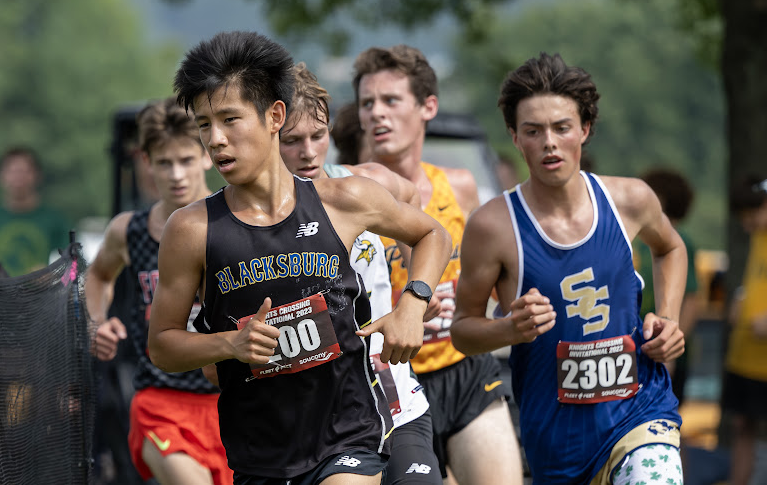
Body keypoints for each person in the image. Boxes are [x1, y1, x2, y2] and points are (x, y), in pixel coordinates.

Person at [148, 30, 452, 484]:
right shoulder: (191, 229)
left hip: (347, 435)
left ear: (274, 116)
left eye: (230, 120)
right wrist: (229, 345)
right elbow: (162, 344)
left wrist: (413, 301)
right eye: (204, 125)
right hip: (259, 455)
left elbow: (432, 233)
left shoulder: (342, 199)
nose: (215, 140)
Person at [451, 52, 687, 484]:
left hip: (641, 413)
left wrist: (668, 318)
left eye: (562, 128)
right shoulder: (492, 226)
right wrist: (509, 329)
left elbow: (670, 248)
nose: (549, 142)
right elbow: (462, 331)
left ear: (585, 129)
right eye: (533, 131)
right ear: (515, 137)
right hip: (556, 440)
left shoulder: (630, 200)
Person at [352, 44, 523, 484]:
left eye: (391, 101)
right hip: (390, 382)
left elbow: (492, 271)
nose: (377, 114)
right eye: (367, 103)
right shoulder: (346, 197)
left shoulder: (460, 187)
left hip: (466, 371)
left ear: (428, 106)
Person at [279, 61, 443, 484]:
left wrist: (415, 293)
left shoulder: (364, 183)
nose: (309, 152)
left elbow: (416, 208)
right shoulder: (257, 218)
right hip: (320, 419)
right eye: (292, 141)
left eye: (319, 136)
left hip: (394, 398)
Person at [85, 97, 233, 485]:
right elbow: (98, 276)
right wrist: (96, 323)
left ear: (206, 156)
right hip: (160, 401)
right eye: (164, 163)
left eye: (186, 159)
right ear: (146, 162)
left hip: (233, 401)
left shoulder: (234, 221)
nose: (176, 174)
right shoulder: (129, 231)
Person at [633, 167, 700, 405]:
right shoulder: (636, 236)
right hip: (637, 345)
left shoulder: (679, 239)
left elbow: (692, 299)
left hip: (665, 349)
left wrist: (672, 342)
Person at [721, 175, 767, 485]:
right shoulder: (758, 237)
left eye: (752, 214)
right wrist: (739, 298)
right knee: (742, 425)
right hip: (744, 354)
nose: (747, 223)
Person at [0, 146, 69, 276]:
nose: (18, 177)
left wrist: (51, 276)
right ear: (1, 176)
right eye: (12, 171)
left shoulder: (55, 220)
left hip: (41, 294)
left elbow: (74, 265)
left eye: (24, 171)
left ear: (37, 175)